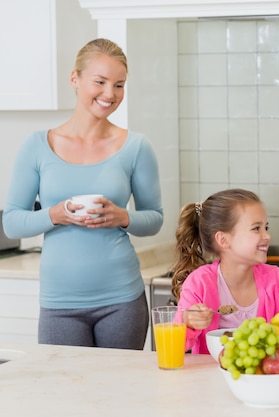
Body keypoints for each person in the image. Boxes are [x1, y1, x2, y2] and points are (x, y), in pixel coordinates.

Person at [2, 38, 164, 349]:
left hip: (122, 299)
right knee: (63, 394)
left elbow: (154, 219)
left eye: (119, 85)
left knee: (117, 394)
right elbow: (11, 222)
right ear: (75, 79)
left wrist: (122, 216)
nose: (110, 94)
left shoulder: (136, 147)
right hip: (59, 303)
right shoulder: (37, 145)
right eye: (100, 82)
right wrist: (55, 214)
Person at [171, 188, 279, 355]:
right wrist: (188, 322)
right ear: (223, 239)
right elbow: (174, 346)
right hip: (208, 379)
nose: (267, 236)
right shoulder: (198, 283)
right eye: (256, 228)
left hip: (263, 379)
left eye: (266, 227)